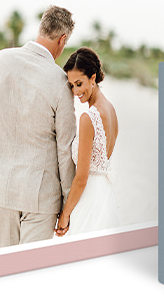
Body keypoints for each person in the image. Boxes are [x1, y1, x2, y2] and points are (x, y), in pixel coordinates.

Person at [0, 5, 77, 248]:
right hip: (42, 197)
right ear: (62, 39)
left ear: (42, 28)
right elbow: (65, 151)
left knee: (4, 267)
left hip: (4, 189)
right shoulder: (60, 81)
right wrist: (67, 204)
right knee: (31, 273)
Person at [55, 47, 119, 236]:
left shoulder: (88, 117)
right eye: (71, 85)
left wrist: (65, 214)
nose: (75, 91)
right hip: (104, 194)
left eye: (79, 83)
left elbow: (81, 178)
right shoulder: (111, 110)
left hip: (89, 196)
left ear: (93, 78)